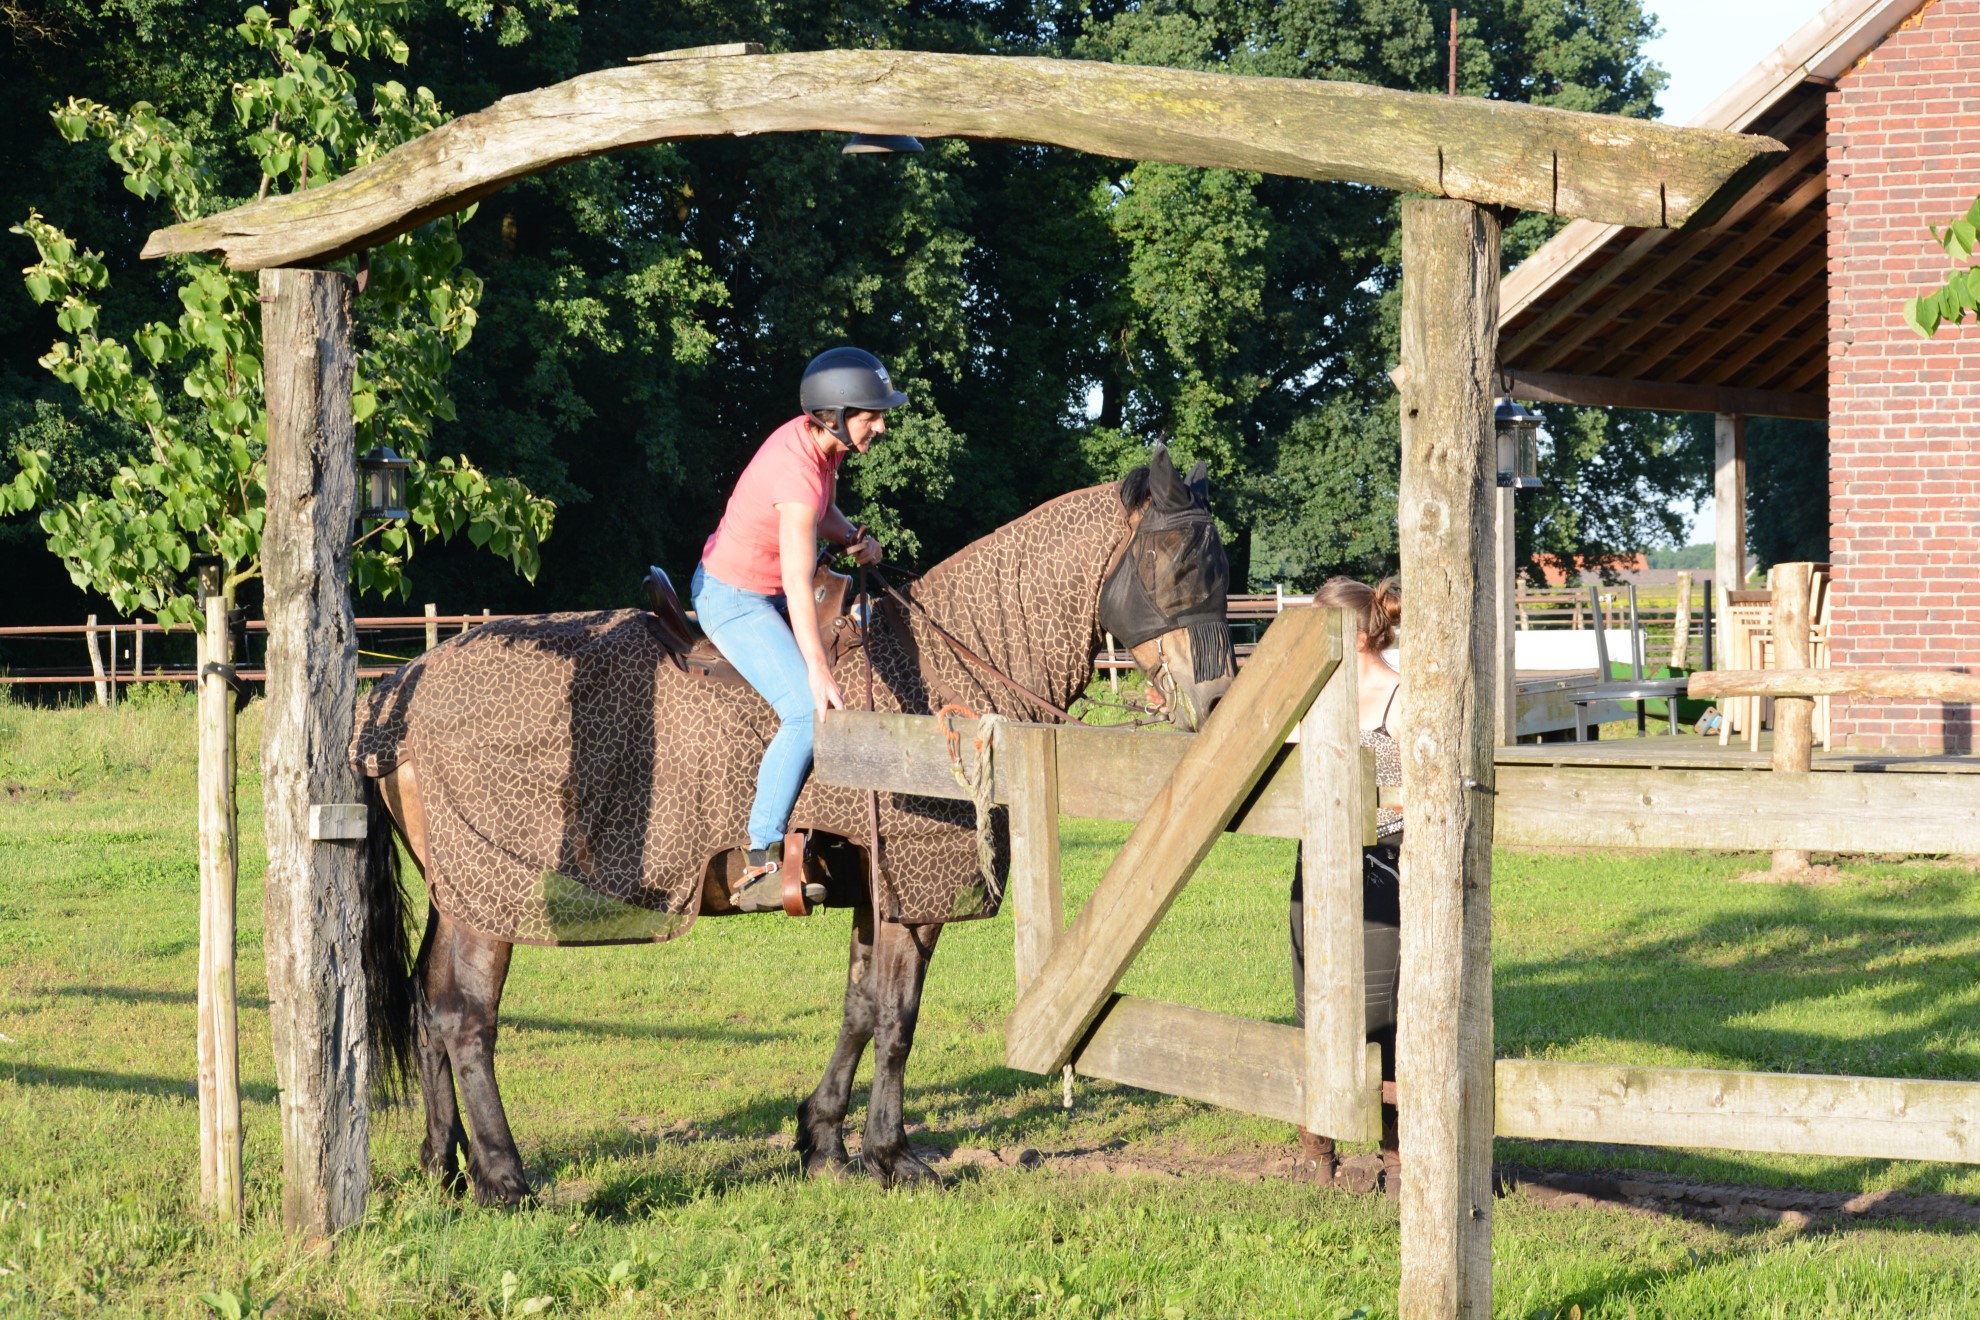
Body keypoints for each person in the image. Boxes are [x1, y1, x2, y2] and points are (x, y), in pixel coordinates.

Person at [691, 347, 899, 909]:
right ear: (836, 416)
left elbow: (821, 513)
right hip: (735, 599)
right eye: (871, 416)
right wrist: (816, 669)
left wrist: (853, 537)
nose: (881, 426)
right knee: (807, 710)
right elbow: (796, 579)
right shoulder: (797, 471)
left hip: (766, 590)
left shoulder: (820, 450)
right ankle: (758, 861)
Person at [1288, 576, 1404, 1194]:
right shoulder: (1309, 696)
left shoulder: (1402, 698)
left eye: (1319, 625)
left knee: (1382, 1014)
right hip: (1315, 864)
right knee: (1313, 1002)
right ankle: (1317, 1151)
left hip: (1384, 869)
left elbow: (1426, 793)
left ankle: (1399, 1158)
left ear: (1356, 635)